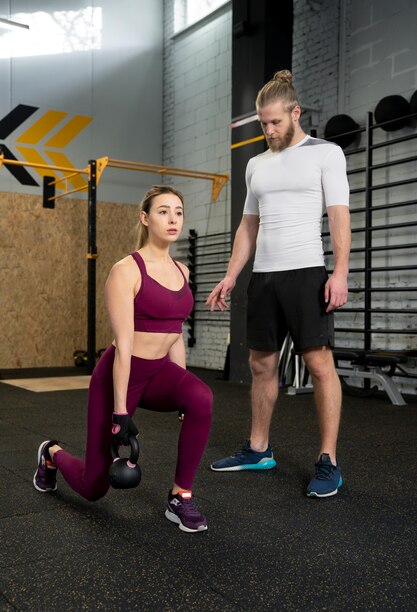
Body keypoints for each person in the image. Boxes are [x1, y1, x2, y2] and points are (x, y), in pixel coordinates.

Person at [33, 185, 212, 532]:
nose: (173, 218)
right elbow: (124, 346)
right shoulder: (126, 270)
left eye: (178, 211)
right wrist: (120, 413)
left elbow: (175, 335)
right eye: (163, 211)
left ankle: (181, 497)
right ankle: (51, 453)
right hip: (119, 377)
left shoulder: (182, 271)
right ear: (145, 218)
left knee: (201, 397)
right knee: (94, 486)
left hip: (159, 372)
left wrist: (182, 389)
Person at [206, 70, 351, 498]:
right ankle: (258, 449)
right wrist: (232, 274)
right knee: (261, 365)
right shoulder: (256, 165)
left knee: (320, 365)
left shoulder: (327, 154)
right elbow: (248, 226)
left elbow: (339, 215)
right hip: (264, 277)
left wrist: (339, 271)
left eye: (275, 122)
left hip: (306, 272)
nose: (268, 131)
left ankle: (328, 461)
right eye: (262, 124)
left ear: (295, 112)